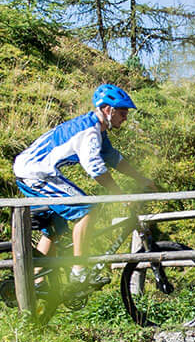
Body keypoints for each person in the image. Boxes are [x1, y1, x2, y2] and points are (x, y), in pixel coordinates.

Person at [13, 83, 145, 279]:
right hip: (36, 173)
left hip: (34, 170)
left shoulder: (97, 130)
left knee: (53, 230)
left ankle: (36, 282)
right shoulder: (89, 132)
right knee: (87, 209)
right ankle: (79, 272)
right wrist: (120, 194)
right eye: (122, 112)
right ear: (107, 110)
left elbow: (113, 158)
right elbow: (95, 169)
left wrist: (142, 178)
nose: (125, 117)